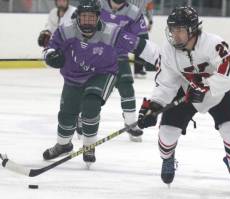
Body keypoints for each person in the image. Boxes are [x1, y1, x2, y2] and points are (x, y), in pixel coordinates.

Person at [137, 6, 230, 194]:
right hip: (185, 93)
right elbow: (166, 83)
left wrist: (207, 85)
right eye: (172, 30)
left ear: (192, 29)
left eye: (180, 30)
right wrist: (155, 106)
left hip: (218, 94)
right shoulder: (168, 51)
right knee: (166, 136)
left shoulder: (214, 44)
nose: (174, 35)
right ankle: (168, 158)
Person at [42, 0, 159, 167]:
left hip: (103, 74)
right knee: (67, 114)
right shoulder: (66, 30)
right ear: (77, 18)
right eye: (84, 18)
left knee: (91, 103)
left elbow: (139, 44)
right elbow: (50, 48)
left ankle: (89, 146)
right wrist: (50, 56)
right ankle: (63, 144)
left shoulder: (111, 32)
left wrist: (157, 59)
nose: (87, 21)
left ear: (99, 18)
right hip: (74, 76)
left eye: (92, 18)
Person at [97, 0, 148, 142]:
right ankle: (83, 120)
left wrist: (147, 57)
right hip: (97, 55)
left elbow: (142, 37)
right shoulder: (98, 5)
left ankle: (131, 123)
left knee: (127, 87)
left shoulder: (134, 12)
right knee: (94, 90)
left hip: (120, 56)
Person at [127, 0, 154, 78]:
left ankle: (138, 69)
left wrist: (150, 21)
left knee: (143, 43)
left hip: (139, 20)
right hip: (124, 17)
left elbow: (149, 7)